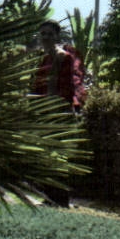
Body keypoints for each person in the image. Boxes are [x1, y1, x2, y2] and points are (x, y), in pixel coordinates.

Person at [29, 20, 86, 207]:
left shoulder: (63, 57)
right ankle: (50, 197)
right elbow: (38, 87)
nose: (46, 37)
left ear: (57, 37)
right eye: (43, 34)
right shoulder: (43, 59)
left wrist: (53, 107)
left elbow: (67, 89)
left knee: (58, 156)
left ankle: (60, 199)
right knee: (46, 155)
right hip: (44, 112)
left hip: (58, 113)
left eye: (50, 34)